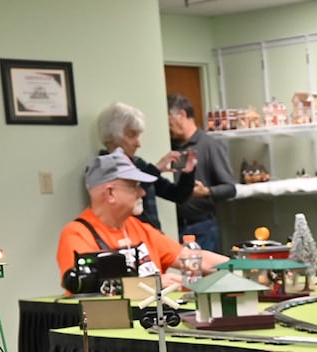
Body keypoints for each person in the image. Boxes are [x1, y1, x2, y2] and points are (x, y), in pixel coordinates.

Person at [54, 149, 227, 292]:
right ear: (110, 193)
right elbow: (87, 289)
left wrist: (243, 264)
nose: (142, 193)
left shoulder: (139, 228)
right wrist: (154, 284)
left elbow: (191, 258)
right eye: (133, 186)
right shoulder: (77, 234)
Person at [95, 102, 194, 232]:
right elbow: (128, 194)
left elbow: (178, 195)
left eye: (138, 135)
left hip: (153, 239)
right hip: (128, 242)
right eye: (131, 135)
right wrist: (156, 170)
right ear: (113, 137)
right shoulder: (100, 167)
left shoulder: (138, 164)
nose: (138, 143)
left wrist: (188, 173)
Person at [166, 94, 238, 254]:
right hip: (173, 229)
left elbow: (230, 188)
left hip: (202, 228)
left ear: (182, 114)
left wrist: (206, 192)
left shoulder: (210, 146)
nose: (167, 127)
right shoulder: (169, 147)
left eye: (168, 121)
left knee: (208, 277)